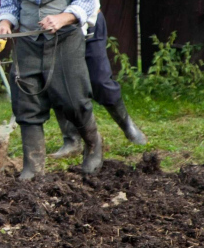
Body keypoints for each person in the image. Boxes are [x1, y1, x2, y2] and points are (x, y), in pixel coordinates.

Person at [0, 0, 103, 179]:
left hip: (65, 39)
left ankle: (94, 143)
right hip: (28, 42)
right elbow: (9, 5)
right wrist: (5, 25)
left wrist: (63, 17)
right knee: (25, 102)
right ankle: (33, 166)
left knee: (74, 99)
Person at [50, 8, 148, 157]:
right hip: (53, 29)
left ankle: (127, 126)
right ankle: (71, 141)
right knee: (59, 82)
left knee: (99, 79)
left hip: (88, 20)